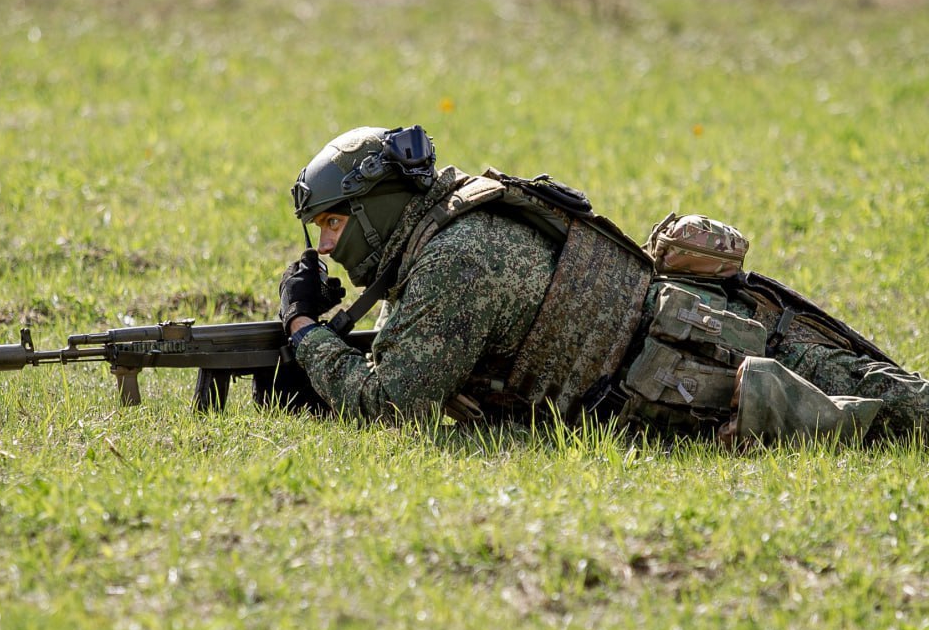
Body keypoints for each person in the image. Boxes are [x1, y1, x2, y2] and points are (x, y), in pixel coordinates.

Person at [277, 125, 928, 444]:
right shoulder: (450, 225)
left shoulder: (456, 259)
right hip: (691, 337)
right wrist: (314, 368)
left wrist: (305, 331)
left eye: (333, 224)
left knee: (896, 408)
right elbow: (405, 362)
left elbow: (392, 404)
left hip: (706, 364)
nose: (328, 247)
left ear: (377, 209)